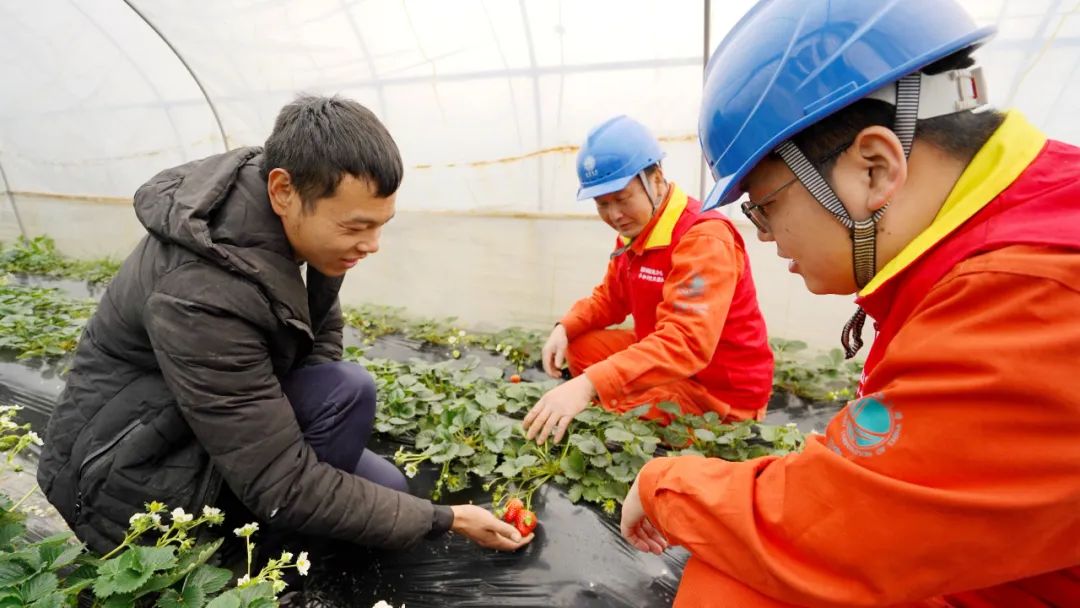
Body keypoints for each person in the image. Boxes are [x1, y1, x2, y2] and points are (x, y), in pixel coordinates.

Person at [620, 1, 1080, 605]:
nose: (762, 233)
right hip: (1007, 562)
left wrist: (664, 482)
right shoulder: (992, 236)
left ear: (874, 168)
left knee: (731, 580)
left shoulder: (1033, 292)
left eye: (766, 205)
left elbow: (836, 527)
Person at [37, 95, 531, 556]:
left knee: (388, 484)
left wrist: (310, 456)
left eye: (382, 224)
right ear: (282, 191)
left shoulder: (292, 223)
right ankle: (249, 556)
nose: (372, 244)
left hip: (200, 427)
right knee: (347, 406)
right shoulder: (200, 292)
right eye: (356, 227)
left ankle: (288, 517)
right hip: (126, 478)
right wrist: (447, 519)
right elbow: (280, 480)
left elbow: (319, 334)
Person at [524, 115, 773, 445]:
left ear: (656, 178)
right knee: (580, 349)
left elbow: (685, 342)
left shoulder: (704, 239)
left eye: (622, 198)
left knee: (616, 414)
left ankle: (722, 424)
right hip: (668, 358)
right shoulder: (636, 232)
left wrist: (588, 385)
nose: (614, 215)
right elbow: (610, 299)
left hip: (714, 388)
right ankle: (621, 390)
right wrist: (565, 327)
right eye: (602, 204)